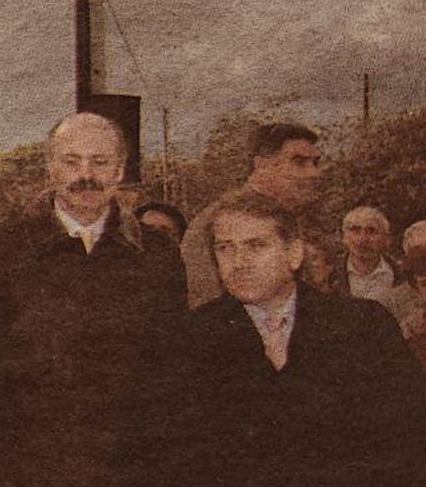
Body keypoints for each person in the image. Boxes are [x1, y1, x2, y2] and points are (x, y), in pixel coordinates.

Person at [129, 189, 426, 487]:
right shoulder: (185, 339)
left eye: (256, 246)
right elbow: (161, 456)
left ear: (293, 253)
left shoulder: (363, 327)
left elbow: (408, 437)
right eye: (225, 248)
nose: (239, 261)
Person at [0, 112, 185, 487]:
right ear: (51, 168)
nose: (86, 175)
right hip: (29, 471)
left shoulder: (157, 253)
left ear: (119, 170)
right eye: (71, 161)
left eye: (100, 162)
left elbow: (171, 370)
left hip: (133, 470)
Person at [181, 122, 323, 307]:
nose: (313, 173)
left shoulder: (296, 218)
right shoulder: (219, 221)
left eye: (315, 163)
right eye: (299, 162)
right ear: (262, 166)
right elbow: (206, 307)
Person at [337, 205, 403, 302]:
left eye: (371, 231)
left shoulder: (401, 277)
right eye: (355, 230)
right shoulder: (330, 275)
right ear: (344, 236)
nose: (362, 239)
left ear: (386, 239)